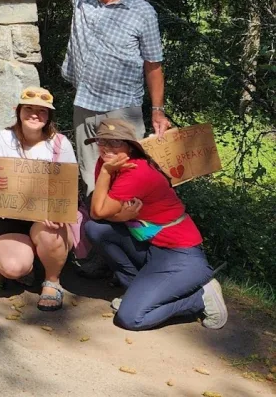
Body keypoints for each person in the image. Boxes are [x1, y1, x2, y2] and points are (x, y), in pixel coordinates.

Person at [83, 118, 227, 331]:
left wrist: (105, 174)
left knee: (130, 318)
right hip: (151, 245)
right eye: (102, 141)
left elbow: (98, 211)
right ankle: (137, 292)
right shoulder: (108, 163)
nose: (107, 148)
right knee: (95, 229)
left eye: (115, 142)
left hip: (180, 255)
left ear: (130, 147)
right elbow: (99, 214)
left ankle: (200, 298)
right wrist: (119, 216)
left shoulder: (135, 171)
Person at [61, 0, 170, 193]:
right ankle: (96, 216)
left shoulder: (142, 12)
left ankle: (125, 219)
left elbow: (153, 65)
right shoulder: (82, 1)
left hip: (121, 109)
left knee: (126, 176)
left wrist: (157, 111)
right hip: (84, 105)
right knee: (90, 177)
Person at [0, 87, 77, 311]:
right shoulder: (0, 139)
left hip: (45, 219)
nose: (35, 114)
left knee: (52, 233)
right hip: (8, 218)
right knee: (13, 267)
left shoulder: (60, 143)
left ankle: (52, 281)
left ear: (49, 115)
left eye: (42, 110)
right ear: (18, 111)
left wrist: (57, 210)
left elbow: (68, 186)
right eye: (29, 108)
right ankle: (18, 267)